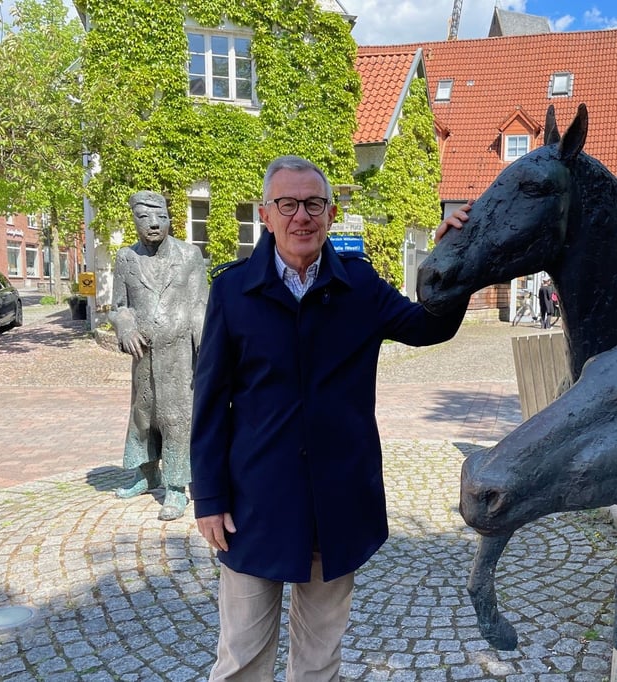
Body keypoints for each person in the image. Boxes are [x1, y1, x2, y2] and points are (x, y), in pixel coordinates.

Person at [190, 156, 470, 681]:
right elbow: (209, 401)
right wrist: (208, 497)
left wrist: (454, 255)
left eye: (314, 204)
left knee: (320, 656)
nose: (302, 216)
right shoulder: (232, 292)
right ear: (267, 215)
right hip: (255, 502)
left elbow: (429, 327)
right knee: (242, 656)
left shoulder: (360, 287)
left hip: (335, 501)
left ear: (331, 212)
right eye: (288, 204)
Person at [108, 190, 208, 521]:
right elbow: (119, 307)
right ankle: (147, 474)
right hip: (145, 353)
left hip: (180, 354)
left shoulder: (189, 255)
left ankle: (177, 488)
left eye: (160, 218)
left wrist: (205, 347)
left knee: (176, 418)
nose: (154, 224)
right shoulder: (126, 259)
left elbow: (199, 304)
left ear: (168, 219)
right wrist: (125, 328)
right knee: (143, 416)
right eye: (145, 218)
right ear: (135, 220)